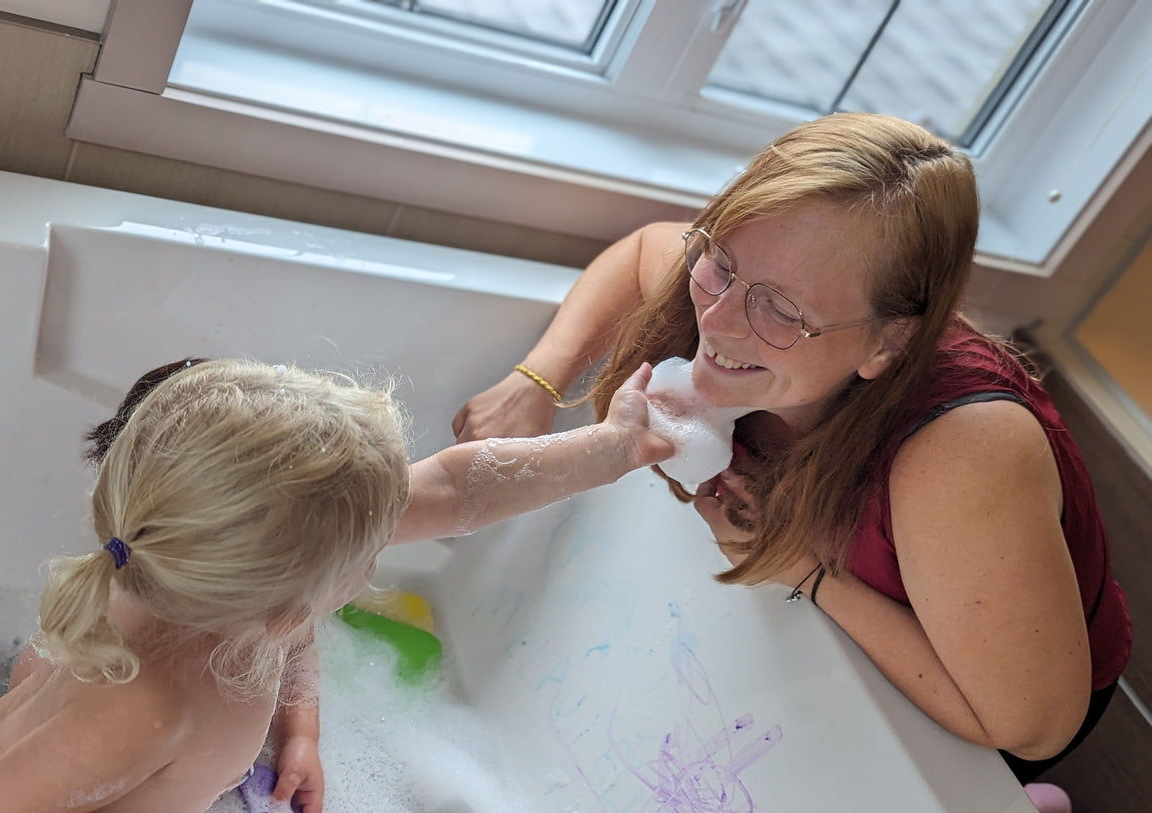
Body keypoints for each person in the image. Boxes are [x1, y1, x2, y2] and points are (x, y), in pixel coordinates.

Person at [452, 112, 1131, 808]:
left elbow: (1028, 726)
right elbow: (641, 253)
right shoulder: (729, 290)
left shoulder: (959, 453)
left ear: (885, 346)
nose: (716, 321)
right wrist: (533, 381)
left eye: (779, 309)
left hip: (983, 678)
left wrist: (798, 567)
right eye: (722, 261)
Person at [0, 356, 677, 812]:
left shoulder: (222, 568)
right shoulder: (136, 703)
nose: (375, 558)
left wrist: (612, 447)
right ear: (287, 600)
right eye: (364, 561)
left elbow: (457, 492)